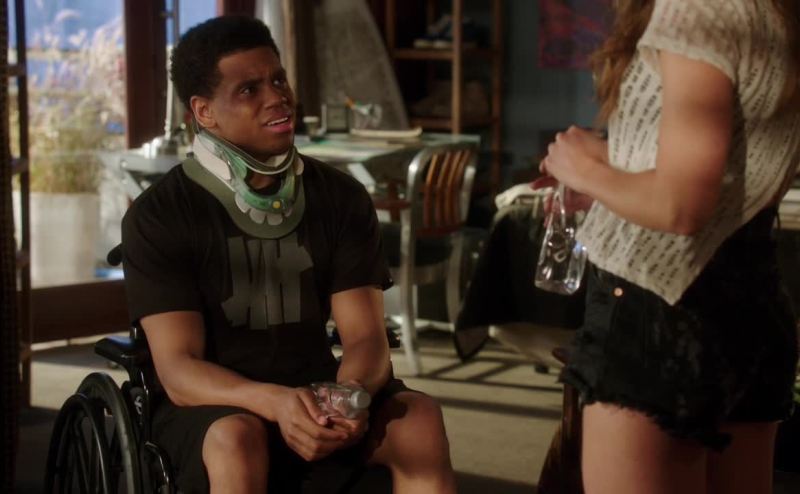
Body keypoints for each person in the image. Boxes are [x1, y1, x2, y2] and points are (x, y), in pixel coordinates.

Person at [121, 16, 456, 494]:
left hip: (315, 392)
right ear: (204, 112)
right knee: (238, 438)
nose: (277, 97)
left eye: (278, 80)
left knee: (419, 420)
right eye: (249, 90)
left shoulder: (340, 197)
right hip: (210, 408)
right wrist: (274, 402)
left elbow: (366, 337)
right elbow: (178, 370)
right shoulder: (160, 214)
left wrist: (350, 395)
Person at [535, 1, 800, 493]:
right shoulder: (776, 11)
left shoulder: (695, 8)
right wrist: (611, 168)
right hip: (751, 300)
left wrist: (581, 167)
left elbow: (680, 207)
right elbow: (730, 167)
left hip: (658, 314)